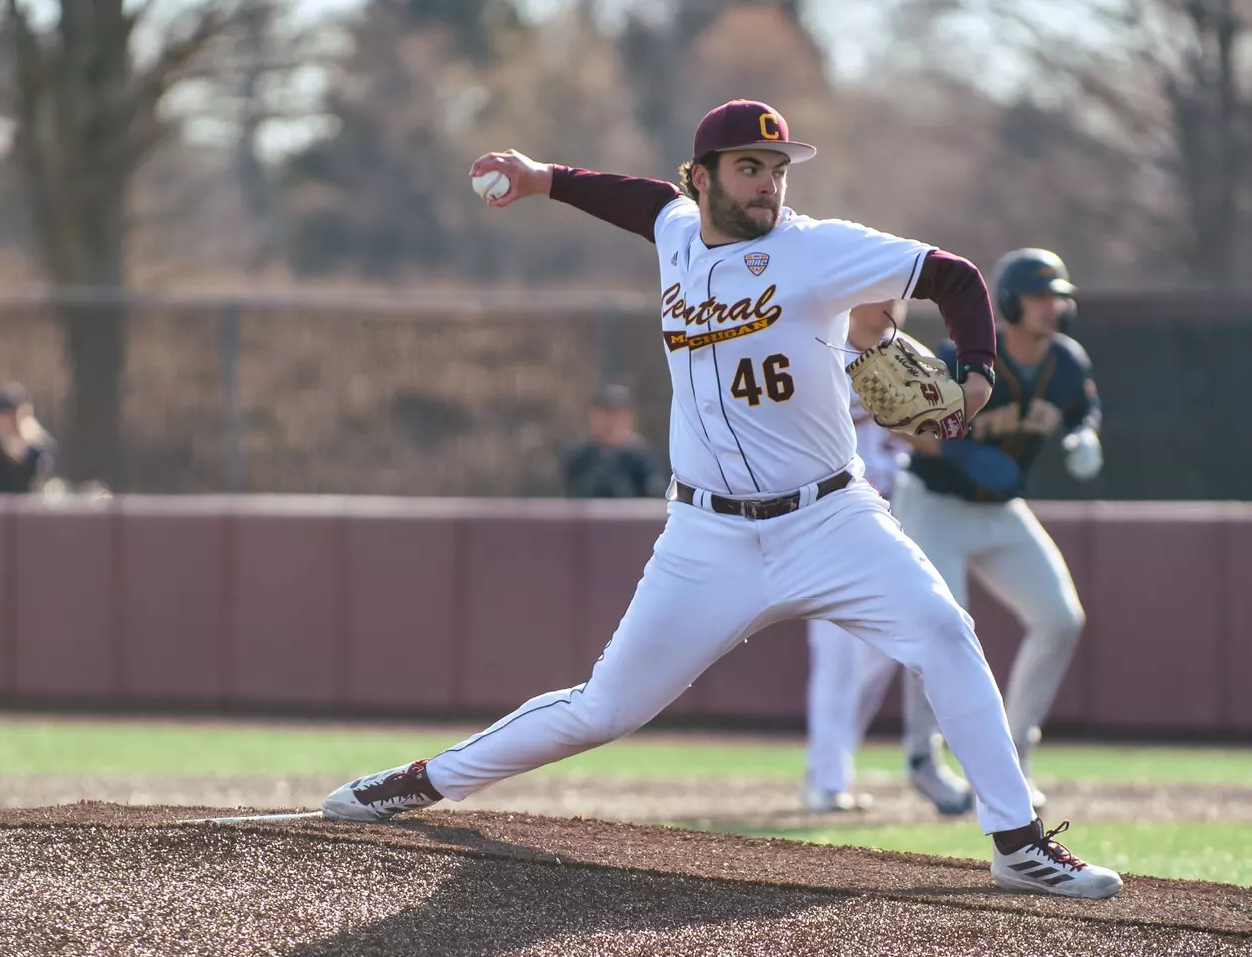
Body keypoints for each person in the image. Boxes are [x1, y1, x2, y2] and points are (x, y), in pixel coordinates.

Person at [320, 101, 1122, 900]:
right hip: (706, 537)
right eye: (749, 168)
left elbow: (955, 277)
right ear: (700, 179)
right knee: (604, 709)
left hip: (830, 518)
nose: (768, 184)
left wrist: (977, 373)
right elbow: (636, 200)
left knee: (946, 632)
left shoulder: (818, 250)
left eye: (776, 170)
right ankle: (420, 781)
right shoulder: (676, 230)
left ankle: (1018, 843)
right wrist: (543, 180)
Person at [894, 248, 1102, 812]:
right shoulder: (965, 354)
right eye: (1039, 298)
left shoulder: (1067, 361)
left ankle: (1014, 750)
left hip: (1001, 508)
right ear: (1009, 303)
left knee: (1060, 619)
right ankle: (922, 756)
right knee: (939, 627)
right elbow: (904, 414)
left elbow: (1083, 408)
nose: (1051, 309)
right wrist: (956, 454)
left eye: (1057, 298)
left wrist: (1086, 436)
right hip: (936, 501)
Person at [800, 298, 973, 817]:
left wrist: (927, 427)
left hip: (896, 515)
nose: (886, 304)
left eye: (892, 294)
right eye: (874, 293)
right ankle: (827, 780)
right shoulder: (817, 353)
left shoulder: (905, 355)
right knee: (836, 655)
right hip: (830, 518)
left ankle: (832, 767)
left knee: (883, 655)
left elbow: (942, 430)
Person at [563, 383, 665, 498]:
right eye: (604, 414)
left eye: (615, 414)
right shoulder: (580, 456)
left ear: (628, 418)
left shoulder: (641, 457)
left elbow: (653, 498)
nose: (609, 421)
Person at [0, 384, 56, 494]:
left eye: (11, 415)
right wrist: (4, 448)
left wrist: (24, 451)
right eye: (1, 415)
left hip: (31, 507)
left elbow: (40, 476)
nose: (6, 421)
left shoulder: (38, 443)